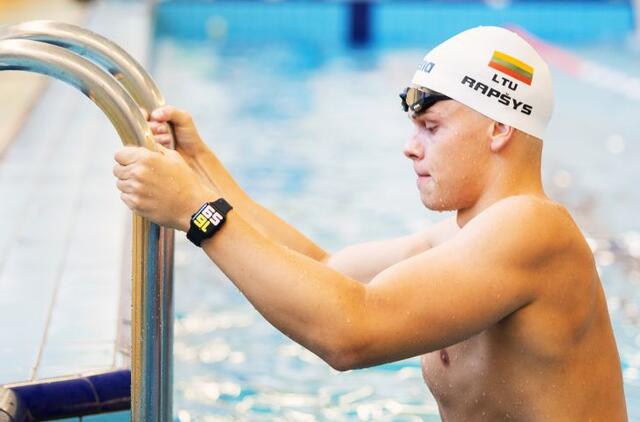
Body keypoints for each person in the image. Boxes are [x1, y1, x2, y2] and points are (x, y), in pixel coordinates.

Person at [112, 26, 627, 420]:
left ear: (497, 128)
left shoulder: (535, 229)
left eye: (431, 127)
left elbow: (350, 333)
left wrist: (198, 213)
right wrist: (202, 166)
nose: (410, 147)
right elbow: (325, 268)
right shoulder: (462, 239)